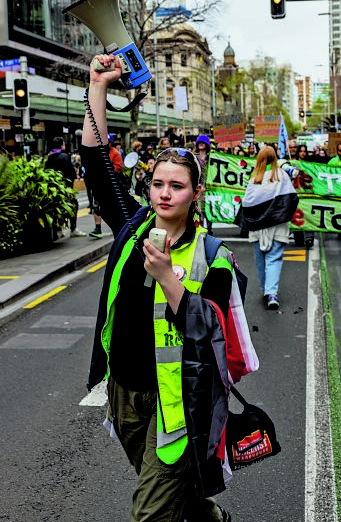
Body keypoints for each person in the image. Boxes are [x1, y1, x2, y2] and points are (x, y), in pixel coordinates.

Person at [81, 54, 238, 522]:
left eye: (177, 185)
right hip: (125, 391)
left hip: (178, 404)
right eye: (157, 183)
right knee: (163, 490)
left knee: (149, 513)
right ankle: (207, 517)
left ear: (195, 194)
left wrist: (170, 279)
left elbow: (212, 329)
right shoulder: (131, 227)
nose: (164, 193)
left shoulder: (214, 257)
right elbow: (94, 162)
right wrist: (98, 86)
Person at [243, 145, 298, 310]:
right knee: (274, 259)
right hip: (278, 225)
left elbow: (248, 203)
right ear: (275, 159)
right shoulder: (282, 177)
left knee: (260, 261)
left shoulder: (254, 180)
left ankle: (266, 290)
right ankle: (271, 292)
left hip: (259, 227)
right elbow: (292, 197)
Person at [45, 136, 86, 238]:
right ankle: (73, 229)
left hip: (53, 188)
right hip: (66, 188)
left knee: (57, 209)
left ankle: (58, 230)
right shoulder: (64, 156)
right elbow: (71, 173)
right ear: (61, 145)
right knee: (73, 205)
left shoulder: (49, 157)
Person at [89, 133, 124, 239]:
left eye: (107, 142)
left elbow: (118, 168)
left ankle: (118, 227)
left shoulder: (116, 153)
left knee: (113, 207)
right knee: (96, 206)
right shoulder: (97, 152)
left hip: (111, 185)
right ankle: (97, 228)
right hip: (98, 183)